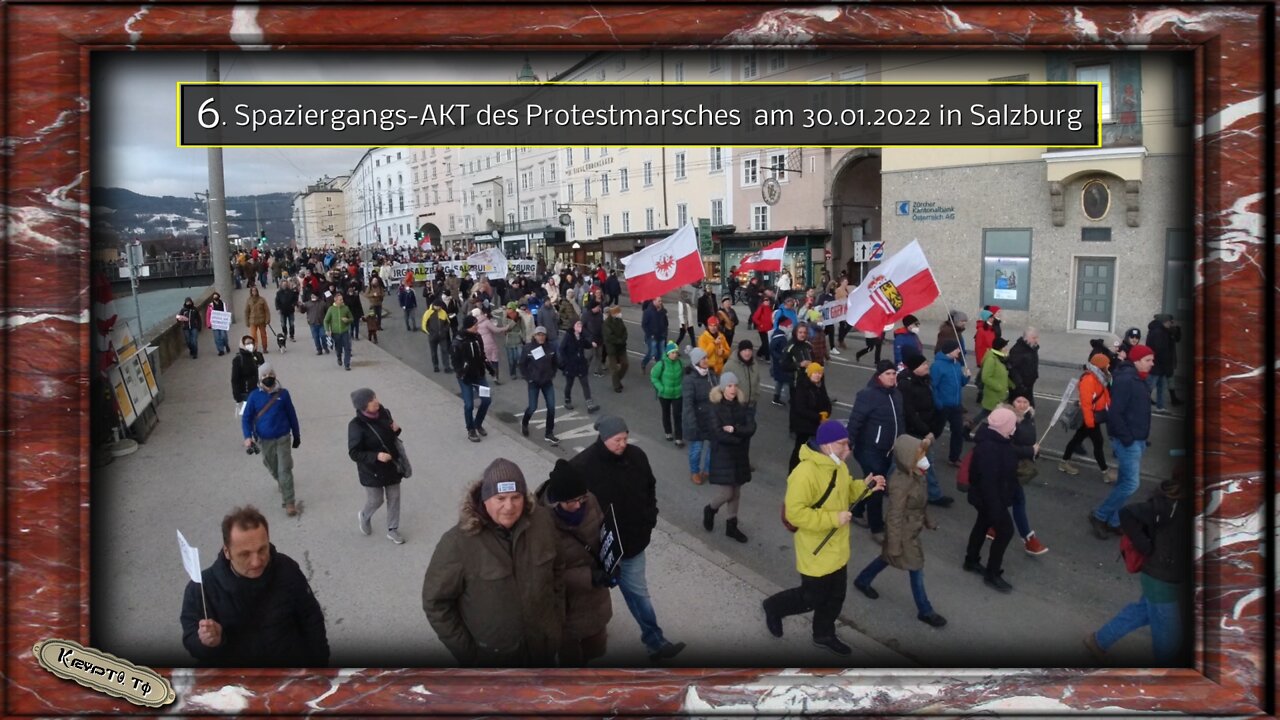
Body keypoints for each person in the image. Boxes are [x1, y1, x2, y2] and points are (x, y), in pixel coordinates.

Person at [421, 459, 565, 666]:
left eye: (516, 497)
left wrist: (556, 619)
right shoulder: (457, 543)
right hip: (495, 658)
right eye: (501, 498)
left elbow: (558, 569)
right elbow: (435, 603)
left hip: (543, 648)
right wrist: (469, 654)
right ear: (485, 499)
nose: (509, 506)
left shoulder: (542, 521)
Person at [763, 420, 886, 655]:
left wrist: (866, 486)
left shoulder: (839, 467)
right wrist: (833, 518)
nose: (848, 450)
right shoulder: (804, 474)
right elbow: (795, 514)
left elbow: (847, 491)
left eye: (848, 444)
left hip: (837, 549)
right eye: (843, 444)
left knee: (836, 597)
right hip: (816, 549)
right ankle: (774, 607)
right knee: (811, 598)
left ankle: (823, 634)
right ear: (826, 444)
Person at [569, 417, 685, 663]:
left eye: (625, 438)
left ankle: (655, 642)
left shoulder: (637, 457)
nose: (623, 444)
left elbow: (650, 487)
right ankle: (588, 636)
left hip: (632, 545)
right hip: (598, 550)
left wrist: (650, 517)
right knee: (590, 596)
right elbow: (563, 500)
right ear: (603, 438)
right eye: (617, 440)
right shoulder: (582, 466)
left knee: (638, 594)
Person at [180, 506, 329, 666]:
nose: (256, 562)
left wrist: (321, 666)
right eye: (245, 554)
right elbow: (191, 641)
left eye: (262, 550)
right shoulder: (201, 589)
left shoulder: (287, 569)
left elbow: (311, 619)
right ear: (227, 552)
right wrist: (207, 642)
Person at [1085, 477, 1187, 664]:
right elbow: (1127, 514)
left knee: (1145, 610)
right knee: (1168, 644)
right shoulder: (1171, 505)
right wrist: (1146, 547)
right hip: (1162, 580)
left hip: (1165, 578)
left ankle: (1099, 641)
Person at [852, 434, 947, 627]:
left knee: (887, 558)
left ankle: (863, 580)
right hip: (903, 533)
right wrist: (894, 544)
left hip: (911, 530)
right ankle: (925, 610)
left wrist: (929, 521)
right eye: (920, 455)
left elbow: (921, 503)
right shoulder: (901, 483)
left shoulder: (917, 475)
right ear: (908, 458)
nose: (924, 459)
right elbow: (894, 516)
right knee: (916, 567)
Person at [535, 460, 612, 666]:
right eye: (571, 502)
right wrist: (588, 577)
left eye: (581, 498)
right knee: (571, 658)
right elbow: (545, 574)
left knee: (595, 648)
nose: (578, 505)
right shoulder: (540, 523)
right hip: (564, 606)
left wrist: (612, 561)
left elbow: (603, 531)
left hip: (595, 597)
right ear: (556, 501)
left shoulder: (590, 500)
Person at [1090, 344, 1155, 539]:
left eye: (1152, 360)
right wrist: (1127, 439)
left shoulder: (1138, 378)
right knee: (1131, 484)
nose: (1152, 363)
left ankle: (1114, 520)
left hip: (1137, 439)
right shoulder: (1127, 380)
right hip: (1129, 441)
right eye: (1148, 360)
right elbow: (1115, 413)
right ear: (1136, 361)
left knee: (1125, 482)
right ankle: (1100, 516)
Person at [962, 406, 1019, 592]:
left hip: (984, 497)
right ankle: (992, 573)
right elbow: (989, 482)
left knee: (982, 523)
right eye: (1012, 424)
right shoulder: (992, 448)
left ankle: (971, 560)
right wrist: (997, 507)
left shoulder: (991, 440)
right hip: (992, 500)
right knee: (1006, 531)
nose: (1014, 428)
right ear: (1005, 426)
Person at [847, 360, 905, 541]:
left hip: (887, 450)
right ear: (879, 376)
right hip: (869, 449)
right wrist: (848, 444)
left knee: (873, 484)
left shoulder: (896, 394)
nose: (892, 377)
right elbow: (855, 421)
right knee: (878, 487)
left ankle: (856, 509)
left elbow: (899, 420)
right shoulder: (867, 395)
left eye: (894, 373)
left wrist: (901, 441)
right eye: (888, 374)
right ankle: (876, 528)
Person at [239, 362, 302, 516]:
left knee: (284, 469)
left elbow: (291, 414)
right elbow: (246, 418)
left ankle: (289, 502)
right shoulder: (254, 396)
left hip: (283, 438)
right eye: (265, 375)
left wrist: (297, 434)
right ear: (260, 378)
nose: (268, 377)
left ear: (275, 375)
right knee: (272, 466)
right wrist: (247, 437)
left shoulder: (284, 394)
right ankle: (281, 481)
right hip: (264, 440)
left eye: (271, 374)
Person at [348, 388, 406, 544]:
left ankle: (392, 529)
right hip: (371, 470)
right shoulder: (356, 426)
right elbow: (354, 453)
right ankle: (365, 515)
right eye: (371, 400)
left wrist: (397, 429)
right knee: (376, 500)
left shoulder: (384, 413)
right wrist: (376, 456)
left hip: (391, 464)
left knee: (394, 497)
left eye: (374, 397)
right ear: (363, 406)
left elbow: (391, 435)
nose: (376, 401)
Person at [703, 372, 756, 543]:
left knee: (736, 492)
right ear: (723, 388)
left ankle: (731, 526)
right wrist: (739, 438)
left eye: (735, 385)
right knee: (727, 492)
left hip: (739, 455)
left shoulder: (742, 405)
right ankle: (710, 509)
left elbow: (751, 427)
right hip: (723, 455)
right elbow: (717, 433)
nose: (733, 389)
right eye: (729, 386)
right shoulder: (715, 407)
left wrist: (735, 430)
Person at [899, 352, 953, 508]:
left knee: (910, 462)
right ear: (915, 367)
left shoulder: (925, 381)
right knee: (924, 462)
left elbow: (931, 405)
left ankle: (888, 485)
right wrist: (926, 431)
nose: (927, 366)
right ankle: (934, 494)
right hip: (915, 432)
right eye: (923, 364)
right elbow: (910, 412)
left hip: (925, 429)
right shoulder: (906, 385)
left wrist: (935, 427)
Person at [1061, 352, 1116, 482]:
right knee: (1098, 442)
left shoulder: (1100, 377)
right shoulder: (1089, 379)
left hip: (1092, 416)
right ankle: (1105, 472)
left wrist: (1108, 406)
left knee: (1077, 439)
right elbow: (1086, 404)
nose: (1109, 366)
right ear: (1101, 366)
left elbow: (1104, 394)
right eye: (1107, 365)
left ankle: (1064, 462)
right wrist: (1090, 423)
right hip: (1090, 418)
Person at [930, 340, 971, 467]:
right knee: (935, 432)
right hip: (943, 406)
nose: (959, 351)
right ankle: (922, 452)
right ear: (949, 351)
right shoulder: (937, 366)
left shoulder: (956, 364)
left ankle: (954, 457)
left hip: (956, 405)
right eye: (956, 349)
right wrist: (938, 403)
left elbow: (961, 383)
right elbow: (932, 387)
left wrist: (966, 377)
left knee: (958, 431)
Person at [452, 315, 492, 442]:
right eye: (475, 325)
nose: (477, 327)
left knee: (486, 400)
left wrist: (489, 367)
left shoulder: (477, 337)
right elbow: (455, 361)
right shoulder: (458, 341)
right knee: (469, 405)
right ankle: (471, 429)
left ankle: (477, 423)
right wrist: (461, 373)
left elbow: (482, 354)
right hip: (466, 377)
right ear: (469, 327)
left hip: (479, 375)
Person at [681, 347, 718, 485]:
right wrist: (692, 424)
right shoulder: (689, 379)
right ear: (696, 361)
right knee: (696, 449)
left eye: (706, 358)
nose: (706, 360)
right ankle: (695, 472)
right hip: (697, 420)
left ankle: (707, 470)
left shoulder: (711, 376)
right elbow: (688, 404)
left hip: (711, 418)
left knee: (713, 446)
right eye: (703, 359)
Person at [520, 326, 561, 446]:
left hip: (547, 382)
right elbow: (522, 365)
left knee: (551, 407)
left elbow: (555, 363)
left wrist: (552, 374)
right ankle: (525, 423)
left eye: (543, 335)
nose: (541, 337)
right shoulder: (528, 348)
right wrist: (529, 378)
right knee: (532, 407)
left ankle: (549, 433)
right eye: (538, 335)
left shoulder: (551, 347)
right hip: (534, 382)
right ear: (534, 336)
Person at [789, 362, 831, 471]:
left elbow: (826, 402)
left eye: (819, 373)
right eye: (815, 373)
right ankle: (793, 470)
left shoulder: (820, 386)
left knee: (814, 450)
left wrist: (826, 413)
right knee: (799, 449)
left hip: (816, 425)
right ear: (810, 374)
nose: (818, 375)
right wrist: (819, 417)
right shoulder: (802, 387)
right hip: (804, 426)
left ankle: (808, 470)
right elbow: (801, 409)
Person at [558, 319, 599, 413]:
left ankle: (590, 405)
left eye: (580, 324)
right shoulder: (568, 336)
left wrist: (591, 344)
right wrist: (567, 361)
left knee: (585, 384)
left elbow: (585, 344)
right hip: (571, 365)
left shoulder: (581, 335)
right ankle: (567, 401)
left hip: (580, 363)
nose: (580, 326)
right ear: (573, 326)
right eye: (578, 324)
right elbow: (561, 349)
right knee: (569, 384)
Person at [649, 341, 685, 445]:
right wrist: (661, 388)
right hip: (664, 394)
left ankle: (679, 437)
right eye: (672, 352)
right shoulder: (661, 364)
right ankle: (668, 432)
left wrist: (682, 387)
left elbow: (684, 375)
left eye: (676, 352)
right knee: (666, 413)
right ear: (668, 353)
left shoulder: (680, 363)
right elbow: (654, 377)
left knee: (677, 415)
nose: (675, 355)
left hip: (677, 394)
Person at [723, 339, 762, 429]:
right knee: (737, 430)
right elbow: (724, 387)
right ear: (739, 351)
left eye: (749, 350)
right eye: (744, 350)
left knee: (749, 430)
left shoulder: (754, 364)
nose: (747, 353)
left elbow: (757, 380)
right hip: (737, 406)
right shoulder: (730, 366)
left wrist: (756, 395)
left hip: (751, 404)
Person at [1145, 313, 1181, 410]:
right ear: (1164, 322)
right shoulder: (1158, 332)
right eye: (1169, 322)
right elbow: (1160, 350)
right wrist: (1166, 363)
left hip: (1161, 365)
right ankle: (1143, 405)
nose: (1170, 323)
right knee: (1150, 387)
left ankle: (1160, 407)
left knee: (1160, 388)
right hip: (1156, 365)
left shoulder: (1164, 331)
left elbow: (1177, 338)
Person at [975, 335, 1011, 428]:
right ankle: (968, 428)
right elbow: (986, 377)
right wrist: (998, 387)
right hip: (993, 395)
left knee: (987, 414)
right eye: (1005, 347)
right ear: (1000, 348)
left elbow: (1003, 375)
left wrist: (1012, 385)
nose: (1007, 349)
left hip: (998, 394)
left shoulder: (1000, 358)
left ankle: (969, 428)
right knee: (986, 414)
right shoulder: (991, 359)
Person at [1006, 327, 1041, 406]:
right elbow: (1013, 370)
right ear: (1026, 338)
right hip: (1020, 387)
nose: (1036, 340)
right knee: (1017, 406)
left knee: (1028, 406)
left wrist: (1034, 376)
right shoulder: (1017, 350)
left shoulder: (1032, 348)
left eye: (1037, 337)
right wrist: (1020, 385)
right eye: (1034, 338)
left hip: (1029, 383)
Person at [230, 335, 265, 410]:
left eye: (252, 343)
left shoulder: (259, 355)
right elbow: (234, 379)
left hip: (260, 390)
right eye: (247, 343)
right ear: (243, 345)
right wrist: (237, 397)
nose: (250, 345)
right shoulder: (238, 360)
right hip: (246, 393)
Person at [323, 292, 355, 371]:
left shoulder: (346, 308)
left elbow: (352, 318)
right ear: (335, 300)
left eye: (342, 299)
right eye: (340, 300)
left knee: (347, 348)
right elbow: (326, 320)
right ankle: (339, 357)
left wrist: (347, 320)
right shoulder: (331, 309)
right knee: (338, 348)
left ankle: (347, 364)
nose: (342, 301)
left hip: (345, 331)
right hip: (335, 333)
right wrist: (327, 330)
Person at [422, 297, 454, 373]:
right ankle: (435, 366)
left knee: (445, 351)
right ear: (434, 305)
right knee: (434, 352)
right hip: (433, 337)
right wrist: (430, 333)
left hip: (442, 336)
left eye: (440, 306)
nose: (440, 308)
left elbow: (448, 323)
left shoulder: (443, 312)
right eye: (438, 306)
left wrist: (445, 330)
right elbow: (424, 325)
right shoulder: (428, 313)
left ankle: (447, 367)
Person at [602, 305, 629, 392]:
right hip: (612, 349)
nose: (620, 314)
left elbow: (625, 331)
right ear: (614, 313)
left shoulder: (619, 320)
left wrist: (623, 339)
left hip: (621, 347)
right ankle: (616, 386)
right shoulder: (607, 323)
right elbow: (610, 336)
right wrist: (620, 340)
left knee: (625, 364)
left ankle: (617, 380)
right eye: (618, 312)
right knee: (614, 368)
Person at [768, 318, 793, 405]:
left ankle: (776, 397)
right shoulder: (780, 338)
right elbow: (772, 349)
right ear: (783, 326)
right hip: (781, 364)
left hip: (780, 363)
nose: (791, 328)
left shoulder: (779, 335)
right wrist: (780, 358)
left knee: (780, 381)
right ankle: (790, 399)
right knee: (788, 381)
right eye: (789, 326)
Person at [640, 297, 668, 372]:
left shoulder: (662, 311)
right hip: (652, 336)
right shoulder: (648, 312)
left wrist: (665, 333)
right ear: (654, 301)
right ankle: (644, 363)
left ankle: (660, 368)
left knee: (662, 353)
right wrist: (650, 334)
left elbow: (666, 323)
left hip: (661, 335)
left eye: (661, 301)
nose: (661, 302)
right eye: (659, 301)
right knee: (652, 352)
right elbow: (644, 325)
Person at [301, 290, 330, 356]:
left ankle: (325, 347)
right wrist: (301, 306)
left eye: (314, 295)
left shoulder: (322, 303)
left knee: (323, 336)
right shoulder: (307, 303)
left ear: (317, 296)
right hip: (312, 323)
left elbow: (327, 312)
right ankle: (319, 350)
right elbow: (302, 311)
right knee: (316, 337)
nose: (312, 296)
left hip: (322, 323)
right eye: (312, 295)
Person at [244, 286, 271, 355]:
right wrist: (247, 321)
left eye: (255, 291)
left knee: (263, 335)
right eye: (253, 291)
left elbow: (266, 310)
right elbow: (246, 311)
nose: (254, 292)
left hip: (261, 320)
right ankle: (254, 348)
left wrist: (267, 319)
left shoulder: (262, 299)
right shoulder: (249, 300)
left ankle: (265, 348)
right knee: (253, 336)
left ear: (257, 291)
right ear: (251, 292)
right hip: (252, 321)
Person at [206, 290, 231, 356]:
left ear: (219, 297)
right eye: (214, 297)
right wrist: (209, 324)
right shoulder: (210, 305)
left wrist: (228, 321)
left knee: (223, 336)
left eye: (216, 296)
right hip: (215, 324)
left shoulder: (223, 304)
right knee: (217, 338)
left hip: (222, 323)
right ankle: (221, 350)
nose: (215, 298)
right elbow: (208, 315)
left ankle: (226, 344)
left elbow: (226, 313)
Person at [275, 279, 299, 344]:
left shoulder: (291, 292)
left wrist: (294, 304)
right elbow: (277, 301)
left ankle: (292, 336)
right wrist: (278, 308)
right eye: (283, 285)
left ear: (287, 285)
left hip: (290, 310)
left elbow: (295, 299)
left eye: (285, 284)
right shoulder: (279, 293)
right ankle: (285, 333)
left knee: (291, 324)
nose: (284, 286)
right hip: (282, 311)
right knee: (283, 324)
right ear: (281, 285)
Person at [750, 293, 774, 358]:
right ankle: (767, 357)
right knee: (766, 343)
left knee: (765, 343)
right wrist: (760, 324)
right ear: (763, 301)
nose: (767, 301)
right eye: (765, 300)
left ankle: (759, 354)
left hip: (769, 329)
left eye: (768, 300)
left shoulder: (770, 308)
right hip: (762, 329)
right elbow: (754, 318)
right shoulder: (761, 308)